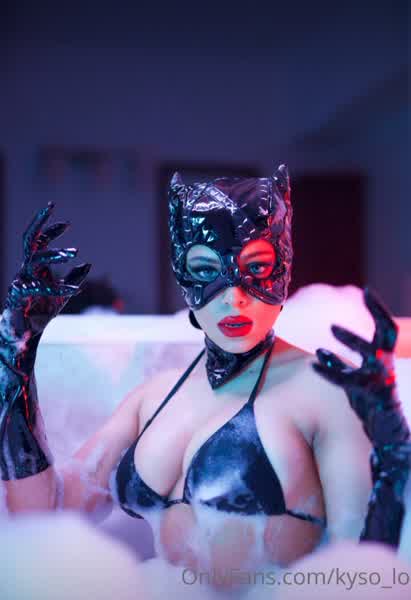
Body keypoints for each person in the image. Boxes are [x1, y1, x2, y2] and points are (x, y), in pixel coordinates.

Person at [0, 166, 395, 582]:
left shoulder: (327, 387)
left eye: (257, 268)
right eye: (207, 270)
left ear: (284, 266)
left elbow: (364, 572)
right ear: (182, 275)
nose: (234, 298)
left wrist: (393, 454)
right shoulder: (155, 396)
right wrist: (15, 363)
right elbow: (45, 515)